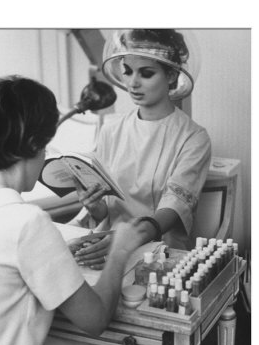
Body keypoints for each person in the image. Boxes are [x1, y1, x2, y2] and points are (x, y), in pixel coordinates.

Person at [0, 75, 145, 345]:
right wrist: (120, 251)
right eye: (46, 147)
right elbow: (96, 319)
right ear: (33, 144)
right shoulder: (27, 222)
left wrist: (63, 244)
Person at [71, 29, 212, 270]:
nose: (133, 82)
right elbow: (108, 208)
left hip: (161, 255)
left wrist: (127, 240)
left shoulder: (194, 138)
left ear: (171, 75)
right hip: (107, 247)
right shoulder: (111, 131)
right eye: (127, 71)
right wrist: (94, 205)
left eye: (146, 73)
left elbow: (173, 208)